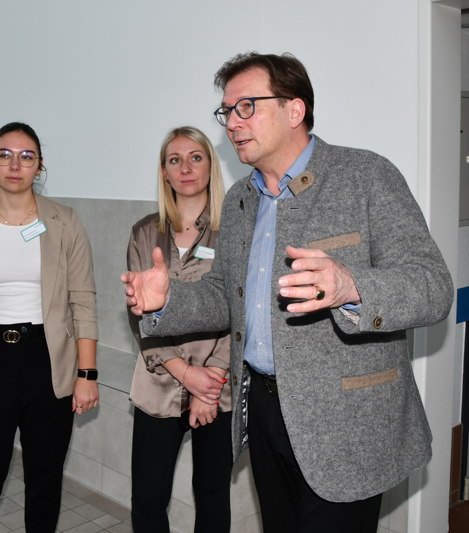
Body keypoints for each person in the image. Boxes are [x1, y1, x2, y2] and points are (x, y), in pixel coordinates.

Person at [121, 52, 454, 533]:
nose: (232, 123)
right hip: (263, 409)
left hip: (346, 423)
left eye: (246, 107)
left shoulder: (366, 176)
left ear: (294, 109)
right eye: (227, 111)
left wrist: (351, 286)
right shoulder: (241, 199)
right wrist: (168, 299)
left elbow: (433, 285)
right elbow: (223, 296)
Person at [0, 122, 98, 532]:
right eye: (4, 155)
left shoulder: (64, 221)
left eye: (26, 157)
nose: (15, 165)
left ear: (39, 166)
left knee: (44, 480)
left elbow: (83, 300)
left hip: (48, 360)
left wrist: (87, 374)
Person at [127, 126, 232, 533]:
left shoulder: (234, 230)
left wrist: (211, 379)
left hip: (218, 389)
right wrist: (184, 372)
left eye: (195, 157)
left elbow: (241, 308)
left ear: (210, 166)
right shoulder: (144, 232)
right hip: (159, 382)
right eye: (175, 160)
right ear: (164, 172)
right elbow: (138, 312)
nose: (186, 168)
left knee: (212, 496)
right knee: (147, 501)